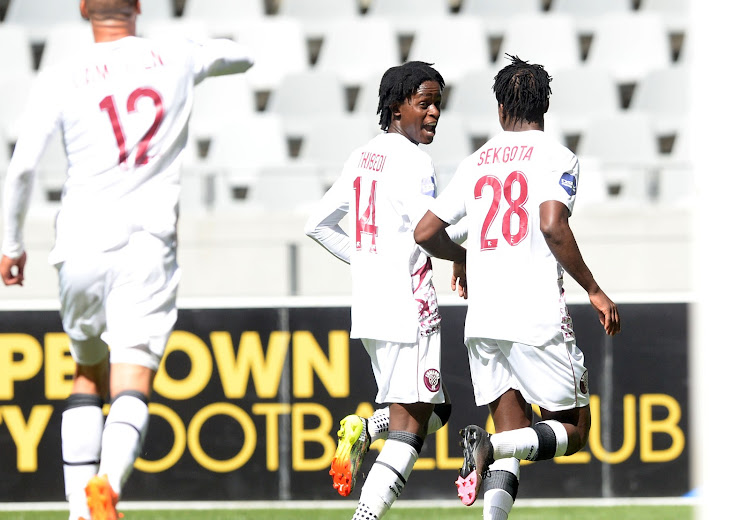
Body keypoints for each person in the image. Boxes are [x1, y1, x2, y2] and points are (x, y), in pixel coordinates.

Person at [0, 1, 253, 519]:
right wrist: (215, 56)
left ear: (83, 10)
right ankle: (106, 490)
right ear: (138, 7)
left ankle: (78, 509)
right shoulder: (174, 56)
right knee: (131, 379)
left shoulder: (62, 74)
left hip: (79, 242)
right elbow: (242, 57)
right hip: (147, 243)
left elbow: (22, 166)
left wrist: (11, 245)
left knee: (87, 374)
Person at [413, 55, 621, 520]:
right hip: (536, 315)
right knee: (573, 430)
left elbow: (426, 232)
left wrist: (464, 258)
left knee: (511, 437)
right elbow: (552, 225)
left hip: (482, 320)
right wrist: (594, 289)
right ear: (544, 105)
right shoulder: (557, 156)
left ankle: (492, 482)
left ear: (500, 107)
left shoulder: (476, 160)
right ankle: (490, 444)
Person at [304, 61, 464, 519]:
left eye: (438, 104)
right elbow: (427, 232)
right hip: (408, 309)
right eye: (424, 103)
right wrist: (464, 259)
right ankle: (366, 516)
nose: (434, 113)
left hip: (372, 309)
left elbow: (318, 224)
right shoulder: (415, 161)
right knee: (410, 431)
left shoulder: (363, 155)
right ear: (397, 106)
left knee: (438, 409)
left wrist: (370, 263)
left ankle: (362, 428)